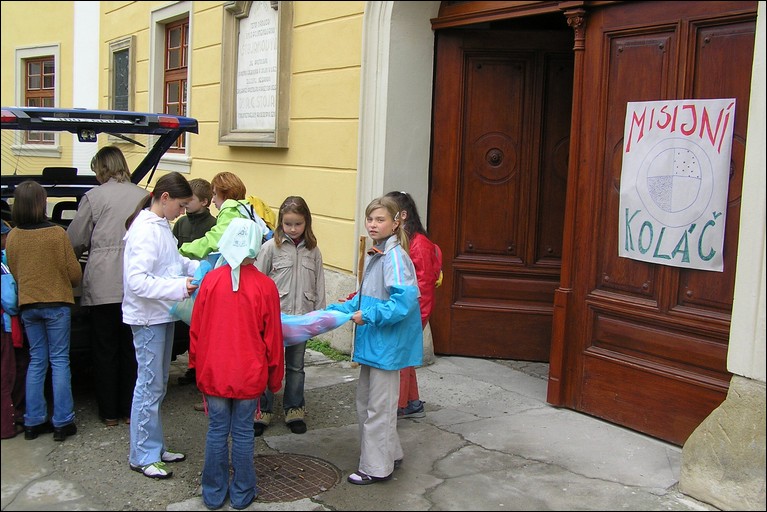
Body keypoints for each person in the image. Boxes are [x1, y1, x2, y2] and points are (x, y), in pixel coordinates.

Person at [326, 196, 423, 485]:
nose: (373, 224)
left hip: (386, 347)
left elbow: (402, 305)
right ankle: (390, 452)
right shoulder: (376, 254)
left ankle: (376, 467)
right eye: (370, 219)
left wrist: (366, 315)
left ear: (396, 222)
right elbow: (365, 298)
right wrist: (337, 310)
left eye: (380, 219)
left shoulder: (394, 257)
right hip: (374, 345)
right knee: (367, 403)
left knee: (377, 408)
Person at [190, 218, 284, 510]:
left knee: (217, 430)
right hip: (249, 373)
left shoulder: (210, 282)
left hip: (214, 371)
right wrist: (274, 379)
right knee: (243, 433)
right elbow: (273, 338)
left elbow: (197, 329)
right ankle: (243, 492)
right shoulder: (265, 286)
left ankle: (213, 492)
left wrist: (196, 365)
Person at [122, 172, 200, 479]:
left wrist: (205, 267)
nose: (182, 212)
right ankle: (142, 454)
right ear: (164, 198)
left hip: (162, 314)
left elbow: (176, 262)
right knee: (148, 385)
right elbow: (137, 282)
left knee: (158, 384)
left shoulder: (160, 226)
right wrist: (181, 286)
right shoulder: (144, 230)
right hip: (148, 318)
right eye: (180, 206)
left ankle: (153, 446)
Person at [67, 146, 149, 427]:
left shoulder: (94, 197)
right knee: (131, 348)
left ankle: (109, 412)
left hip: (103, 283)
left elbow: (75, 240)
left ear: (102, 168)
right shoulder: (142, 196)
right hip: (136, 283)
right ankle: (129, 410)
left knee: (104, 349)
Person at [6, 181, 82, 442]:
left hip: (28, 306)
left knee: (37, 361)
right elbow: (74, 275)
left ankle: (33, 421)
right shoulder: (56, 234)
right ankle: (62, 422)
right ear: (41, 203)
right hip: (57, 305)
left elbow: (14, 272)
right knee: (59, 361)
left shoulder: (13, 236)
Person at [254, 196, 325, 436]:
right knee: (267, 364)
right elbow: (257, 281)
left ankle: (294, 408)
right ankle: (262, 410)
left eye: (298, 224)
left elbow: (319, 283)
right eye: (288, 224)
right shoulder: (269, 248)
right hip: (273, 319)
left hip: (302, 318)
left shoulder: (314, 251)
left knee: (296, 366)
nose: (293, 229)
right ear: (280, 224)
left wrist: (319, 316)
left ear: (307, 223)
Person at [384, 191, 442, 419]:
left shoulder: (420, 245)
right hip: (404, 311)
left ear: (403, 216)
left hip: (411, 313)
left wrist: (418, 320)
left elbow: (425, 288)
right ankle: (411, 402)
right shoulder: (403, 241)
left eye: (386, 216)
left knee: (398, 359)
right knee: (404, 358)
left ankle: (397, 406)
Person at [171, 178, 217, 386]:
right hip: (184, 282)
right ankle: (193, 366)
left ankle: (205, 367)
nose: (186, 204)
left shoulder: (213, 225)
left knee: (205, 328)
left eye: (191, 200)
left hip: (206, 283)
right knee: (190, 328)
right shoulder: (180, 222)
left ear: (205, 202)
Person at [178, 172, 269, 261]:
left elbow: (213, 241)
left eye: (214, 194)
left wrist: (182, 250)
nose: (213, 200)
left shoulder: (231, 211)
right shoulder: (244, 208)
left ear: (225, 194)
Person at [1, 220, 25, 439]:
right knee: (8, 373)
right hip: (4, 328)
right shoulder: (2, 264)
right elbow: (8, 299)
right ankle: (7, 425)